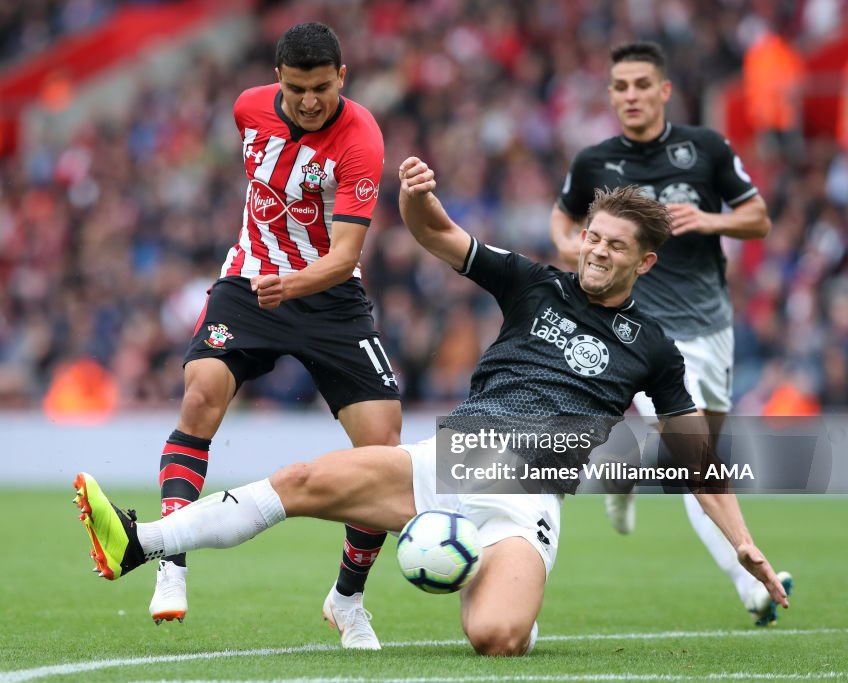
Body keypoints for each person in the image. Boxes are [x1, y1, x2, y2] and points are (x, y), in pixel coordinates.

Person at [73, 164, 790, 657]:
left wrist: (743, 543)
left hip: (526, 499)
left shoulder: (655, 350)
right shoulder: (535, 282)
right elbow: (440, 235)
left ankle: (498, 581)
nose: (596, 252)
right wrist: (417, 196)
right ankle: (143, 541)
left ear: (646, 262)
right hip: (455, 456)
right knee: (301, 481)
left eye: (614, 246)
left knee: (496, 640)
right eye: (593, 238)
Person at [150, 22, 401, 649]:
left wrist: (291, 285)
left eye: (320, 88)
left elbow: (345, 256)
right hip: (250, 278)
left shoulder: (362, 139)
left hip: (327, 295)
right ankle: (172, 557)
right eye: (296, 89)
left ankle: (347, 598)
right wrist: (270, 277)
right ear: (276, 79)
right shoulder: (247, 108)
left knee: (383, 450)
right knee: (201, 391)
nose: (309, 101)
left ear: (342, 77)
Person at [548, 41, 791, 626]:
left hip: (709, 327)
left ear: (663, 91)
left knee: (699, 454)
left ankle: (623, 472)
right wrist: (571, 248)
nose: (630, 95)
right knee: (695, 464)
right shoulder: (594, 162)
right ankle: (752, 583)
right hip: (637, 328)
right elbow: (563, 218)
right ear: (610, 95)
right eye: (620, 86)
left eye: (640, 85)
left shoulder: (704, 149)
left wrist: (711, 219)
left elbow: (758, 217)